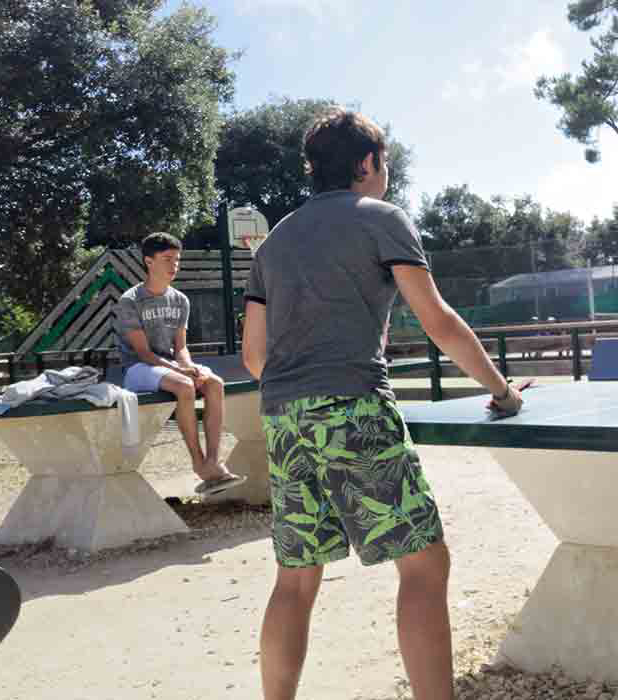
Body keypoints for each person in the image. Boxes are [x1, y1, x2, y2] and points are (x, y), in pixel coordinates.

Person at [241, 108, 525, 700]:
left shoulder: (272, 244)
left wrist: (302, 392)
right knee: (424, 565)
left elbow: (252, 356)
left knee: (295, 579)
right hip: (355, 407)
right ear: (367, 163)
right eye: (385, 162)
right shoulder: (381, 218)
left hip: (284, 417)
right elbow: (438, 322)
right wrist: (500, 391)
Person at [113, 232, 245, 496]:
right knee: (185, 386)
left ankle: (213, 462)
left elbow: (181, 347)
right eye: (167, 259)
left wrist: (189, 366)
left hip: (169, 365)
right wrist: (181, 371)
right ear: (149, 261)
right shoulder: (130, 301)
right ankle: (199, 464)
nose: (174, 265)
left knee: (214, 383)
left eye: (177, 259)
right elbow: (144, 353)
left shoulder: (180, 300)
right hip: (137, 368)